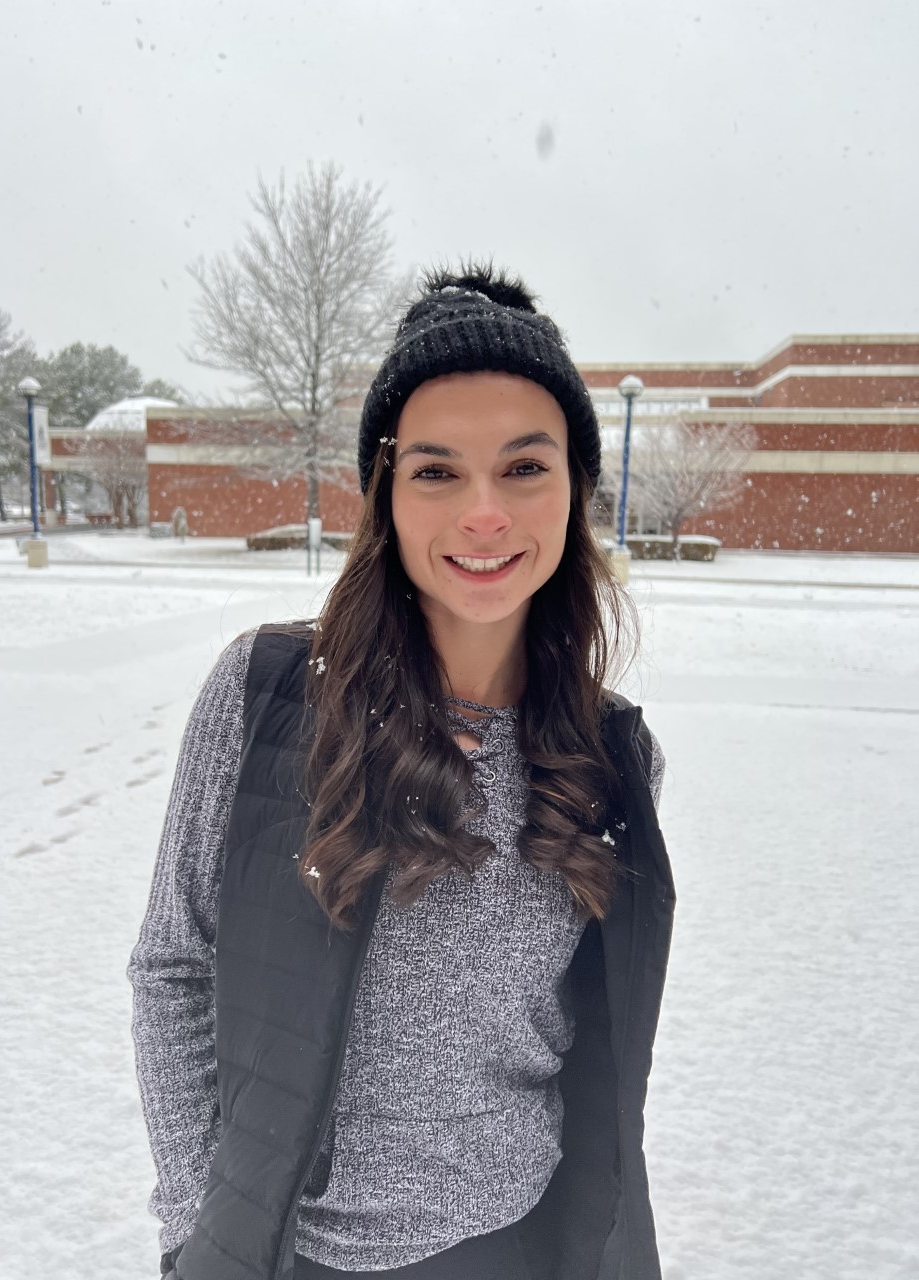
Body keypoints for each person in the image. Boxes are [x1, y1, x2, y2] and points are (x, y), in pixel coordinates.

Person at [128, 263, 675, 1280]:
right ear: (385, 491)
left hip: (517, 1248)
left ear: (576, 487)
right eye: (436, 470)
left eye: (524, 467)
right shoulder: (267, 695)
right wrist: (195, 1226)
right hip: (288, 1255)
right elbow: (175, 963)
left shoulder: (612, 757)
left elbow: (599, 1059)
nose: (482, 513)